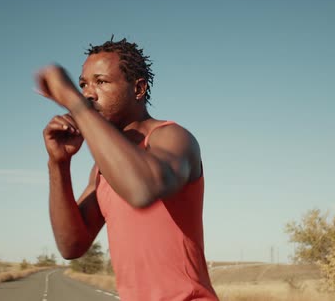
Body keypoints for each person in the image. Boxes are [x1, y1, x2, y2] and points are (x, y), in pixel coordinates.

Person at [36, 38, 218, 301]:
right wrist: (59, 164)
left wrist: (73, 101)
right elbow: (71, 245)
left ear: (138, 88)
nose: (88, 93)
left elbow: (141, 189)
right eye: (83, 84)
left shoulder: (172, 137)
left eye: (101, 81)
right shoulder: (103, 169)